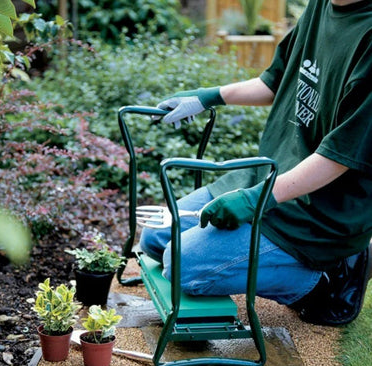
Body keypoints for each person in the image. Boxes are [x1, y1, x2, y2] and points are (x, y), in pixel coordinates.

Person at [140, 0, 372, 325]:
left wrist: (255, 200)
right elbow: (275, 81)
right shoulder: (323, 4)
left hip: (320, 210)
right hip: (271, 174)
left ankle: (328, 281)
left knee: (180, 265)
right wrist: (208, 96)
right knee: (155, 238)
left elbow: (338, 157)